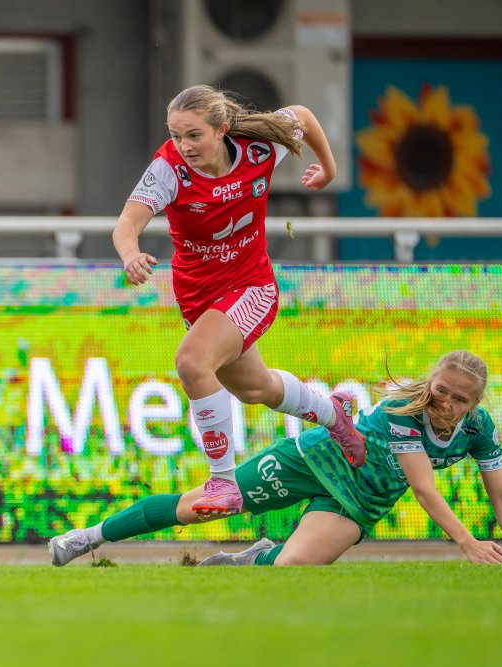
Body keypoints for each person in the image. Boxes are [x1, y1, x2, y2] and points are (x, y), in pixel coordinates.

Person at [115, 84, 364, 516]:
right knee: (257, 389)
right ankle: (333, 414)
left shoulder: (259, 148)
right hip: (199, 299)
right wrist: (131, 254)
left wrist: (328, 169)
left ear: (222, 129)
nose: (183, 146)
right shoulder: (169, 169)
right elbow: (126, 224)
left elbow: (302, 115)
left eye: (194, 135)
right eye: (175, 135)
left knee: (192, 362)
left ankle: (224, 484)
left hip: (251, 287)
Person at [48, 350, 502, 567]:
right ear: (430, 384)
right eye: (441, 390)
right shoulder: (401, 411)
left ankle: (256, 555)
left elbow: (501, 494)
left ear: (474, 406)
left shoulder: (479, 430)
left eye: (459, 399)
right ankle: (84, 539)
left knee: (294, 565)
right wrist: (468, 543)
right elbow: (423, 488)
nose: (446, 403)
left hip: (359, 500)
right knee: (196, 507)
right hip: (313, 461)